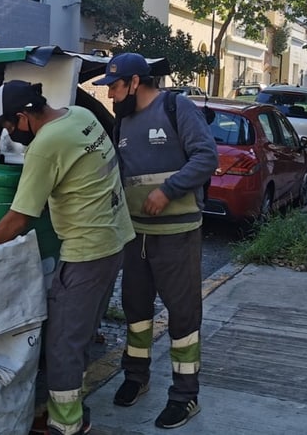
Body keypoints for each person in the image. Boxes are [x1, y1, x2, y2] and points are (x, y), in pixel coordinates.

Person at [0, 80, 135, 435]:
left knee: (63, 341)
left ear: (23, 117)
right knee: (79, 335)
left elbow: (19, 217)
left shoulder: (45, 145)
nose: (9, 133)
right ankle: (64, 408)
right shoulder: (79, 115)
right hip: (114, 240)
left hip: (86, 251)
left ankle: (66, 425)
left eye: (7, 125)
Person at [93, 53, 218, 429]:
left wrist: (167, 191)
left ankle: (185, 396)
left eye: (114, 87)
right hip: (137, 236)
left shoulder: (175, 106)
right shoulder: (124, 122)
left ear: (135, 82)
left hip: (177, 235)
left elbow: (206, 157)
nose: (111, 95)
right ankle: (136, 376)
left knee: (182, 317)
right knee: (136, 312)